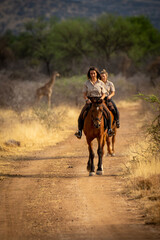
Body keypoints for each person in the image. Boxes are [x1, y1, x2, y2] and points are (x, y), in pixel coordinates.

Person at [75, 66, 113, 139]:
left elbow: (104, 93)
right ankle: (79, 131)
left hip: (99, 101)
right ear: (89, 74)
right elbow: (84, 94)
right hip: (90, 101)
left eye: (94, 73)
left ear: (96, 74)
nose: (92, 75)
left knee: (108, 113)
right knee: (81, 115)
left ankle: (109, 130)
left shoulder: (101, 82)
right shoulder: (86, 83)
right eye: (91, 73)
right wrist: (87, 99)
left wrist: (101, 98)